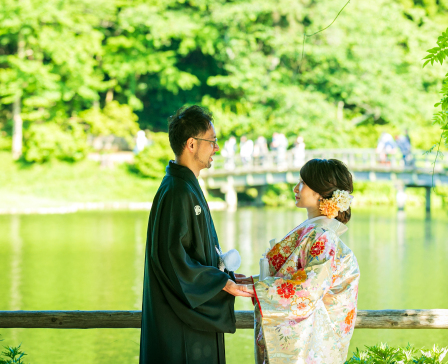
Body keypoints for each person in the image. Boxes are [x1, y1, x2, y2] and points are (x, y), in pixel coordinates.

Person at [140, 105, 254, 364]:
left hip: (189, 314)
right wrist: (221, 283)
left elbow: (196, 253)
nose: (216, 147)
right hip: (180, 322)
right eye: (212, 141)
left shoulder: (185, 185)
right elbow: (173, 260)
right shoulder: (178, 191)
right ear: (192, 144)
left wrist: (228, 276)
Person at [253, 159, 360, 364]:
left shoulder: (323, 235)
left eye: (302, 182)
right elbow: (290, 275)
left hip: (311, 344)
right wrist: (252, 282)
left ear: (320, 192)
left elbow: (308, 289)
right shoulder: (316, 231)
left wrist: (258, 289)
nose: (295, 188)